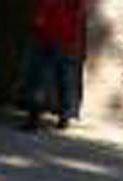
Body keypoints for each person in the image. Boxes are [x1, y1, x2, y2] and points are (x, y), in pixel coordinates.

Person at [23, 0, 88, 131]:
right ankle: (64, 117)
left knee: (39, 77)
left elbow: (42, 10)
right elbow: (79, 12)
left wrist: (37, 23)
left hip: (47, 34)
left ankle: (34, 118)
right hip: (65, 35)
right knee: (65, 78)